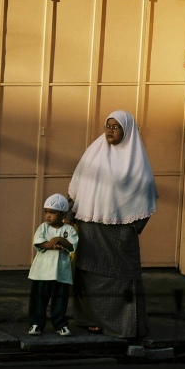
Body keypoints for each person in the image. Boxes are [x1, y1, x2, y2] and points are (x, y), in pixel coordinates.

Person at [67, 109, 158, 339]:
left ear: (127, 131)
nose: (110, 130)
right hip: (90, 226)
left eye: (116, 127)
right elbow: (79, 184)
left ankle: (123, 326)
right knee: (89, 274)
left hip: (119, 233)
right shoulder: (94, 152)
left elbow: (146, 192)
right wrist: (70, 214)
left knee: (122, 277)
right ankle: (90, 319)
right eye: (108, 126)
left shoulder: (136, 161)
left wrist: (133, 228)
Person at [27, 193, 79, 336]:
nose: (48, 216)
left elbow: (72, 246)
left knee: (60, 299)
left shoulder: (68, 230)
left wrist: (60, 240)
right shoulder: (43, 228)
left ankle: (60, 324)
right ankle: (36, 323)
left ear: (63, 214)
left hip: (61, 272)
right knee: (39, 298)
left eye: (52, 212)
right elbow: (38, 243)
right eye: (46, 212)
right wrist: (52, 245)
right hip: (42, 272)